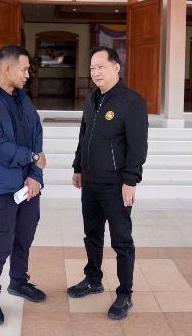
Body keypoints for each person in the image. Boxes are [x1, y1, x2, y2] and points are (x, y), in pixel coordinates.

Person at [68, 46, 148, 321]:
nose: (95, 72)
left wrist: (130, 180)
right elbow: (84, 135)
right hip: (90, 181)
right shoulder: (92, 98)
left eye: (101, 66)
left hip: (115, 184)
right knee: (92, 234)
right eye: (92, 68)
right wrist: (78, 167)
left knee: (122, 240)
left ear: (116, 67)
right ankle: (93, 279)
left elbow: (138, 146)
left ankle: (125, 293)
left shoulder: (132, 102)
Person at [0, 44, 47, 326]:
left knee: (24, 237)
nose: (28, 74)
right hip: (3, 186)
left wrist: (35, 175)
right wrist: (32, 158)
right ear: (7, 68)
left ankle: (18, 281)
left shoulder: (25, 101)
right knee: (1, 242)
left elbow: (37, 136)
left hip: (29, 184)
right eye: (24, 69)